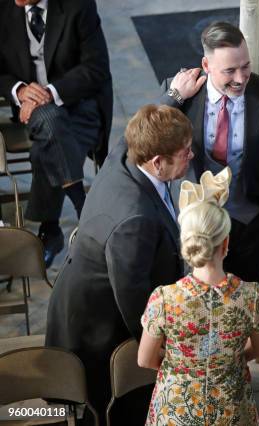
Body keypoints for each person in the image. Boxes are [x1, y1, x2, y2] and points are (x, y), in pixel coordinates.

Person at [45, 104, 192, 424]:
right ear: (157, 162)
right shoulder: (135, 219)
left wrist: (173, 98)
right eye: (185, 152)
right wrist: (162, 351)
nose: (190, 156)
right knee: (113, 411)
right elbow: (133, 298)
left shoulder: (124, 157)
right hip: (97, 333)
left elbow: (135, 134)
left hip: (81, 300)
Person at [138, 167, 259, 425]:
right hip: (231, 411)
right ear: (225, 243)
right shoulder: (251, 296)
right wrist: (227, 359)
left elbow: (145, 359)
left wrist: (184, 364)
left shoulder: (164, 299)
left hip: (176, 412)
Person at [160, 21, 259, 283]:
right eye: (230, 71)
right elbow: (148, 140)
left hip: (251, 225)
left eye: (246, 67)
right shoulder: (181, 92)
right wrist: (173, 98)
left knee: (242, 300)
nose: (241, 78)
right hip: (193, 224)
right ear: (206, 66)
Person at [0, 0, 113, 267]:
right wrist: (19, 90)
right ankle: (84, 209)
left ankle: (50, 227)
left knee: (46, 143)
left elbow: (95, 68)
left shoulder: (79, 5)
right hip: (32, 110)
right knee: (49, 122)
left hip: (79, 107)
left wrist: (50, 93)